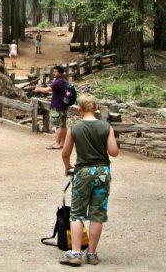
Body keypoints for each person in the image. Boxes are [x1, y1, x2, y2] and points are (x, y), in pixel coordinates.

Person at [60, 93, 119, 266]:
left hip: (83, 171)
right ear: (96, 108)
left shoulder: (75, 128)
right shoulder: (106, 127)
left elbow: (65, 153)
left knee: (77, 213)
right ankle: (91, 253)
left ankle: (76, 253)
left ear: (79, 108)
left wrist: (68, 166)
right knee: (97, 214)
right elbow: (114, 152)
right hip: (102, 172)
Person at [36, 65, 68, 149]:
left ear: (60, 73)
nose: (53, 73)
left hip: (57, 106)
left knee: (58, 125)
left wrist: (38, 88)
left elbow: (46, 90)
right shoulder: (64, 81)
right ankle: (62, 143)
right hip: (63, 105)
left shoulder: (58, 82)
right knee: (63, 125)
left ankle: (57, 143)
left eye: (55, 72)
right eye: (53, 71)